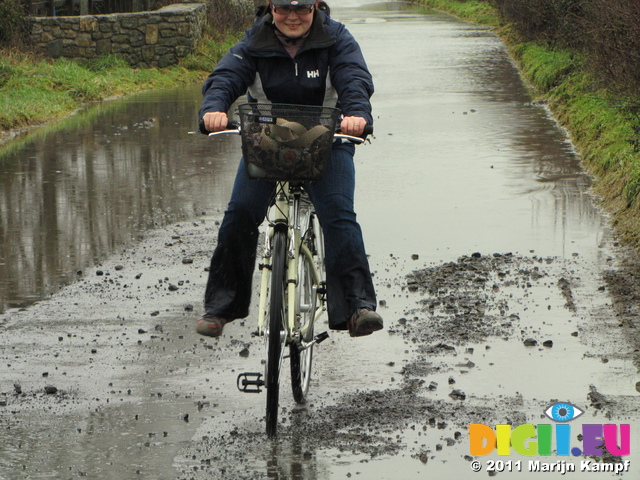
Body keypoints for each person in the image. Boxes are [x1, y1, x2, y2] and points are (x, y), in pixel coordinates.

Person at [196, 0, 383, 338]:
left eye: (302, 8)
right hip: (267, 140)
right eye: (284, 8)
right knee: (239, 214)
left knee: (338, 215)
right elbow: (225, 78)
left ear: (315, 6)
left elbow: (354, 79)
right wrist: (214, 108)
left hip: (327, 139)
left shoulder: (337, 39)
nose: (293, 16)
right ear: (270, 7)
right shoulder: (254, 42)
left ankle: (358, 306)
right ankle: (221, 307)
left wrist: (357, 115)